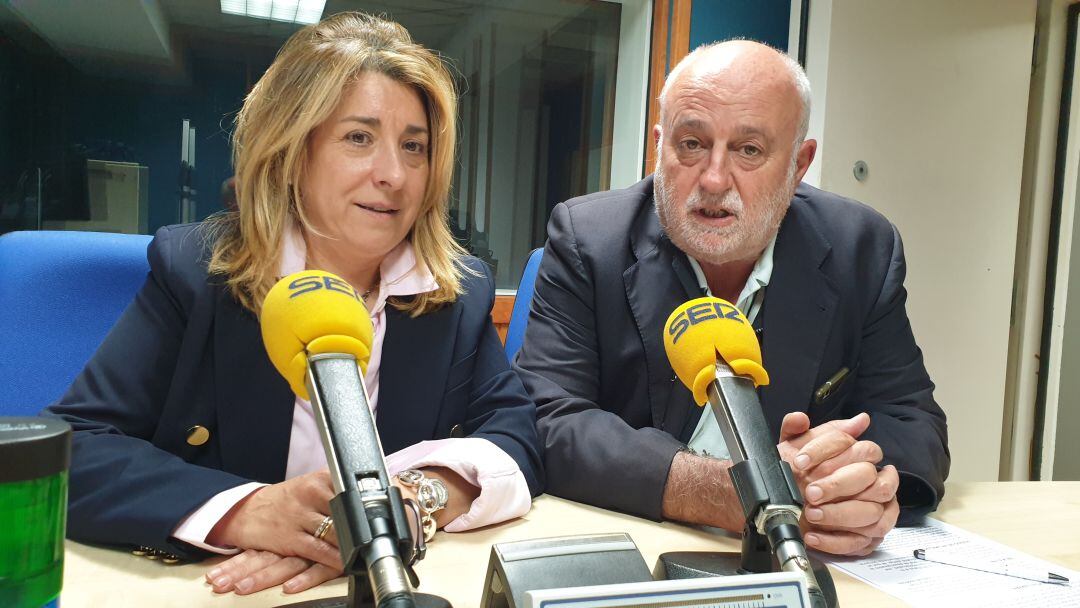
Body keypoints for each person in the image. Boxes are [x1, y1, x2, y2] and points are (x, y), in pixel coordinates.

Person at [44, 12, 542, 597]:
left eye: (415, 148)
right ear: (291, 151)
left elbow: (516, 438)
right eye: (359, 138)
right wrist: (248, 510)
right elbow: (71, 446)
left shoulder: (453, 292)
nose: (394, 175)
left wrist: (409, 501)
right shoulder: (198, 274)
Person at [513, 40, 948, 557]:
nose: (715, 179)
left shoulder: (861, 248)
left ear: (799, 164)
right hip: (636, 544)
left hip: (795, 556)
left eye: (749, 150)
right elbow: (547, 419)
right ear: (659, 147)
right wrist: (728, 490)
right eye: (692, 144)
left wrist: (848, 481)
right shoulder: (589, 239)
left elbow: (913, 421)